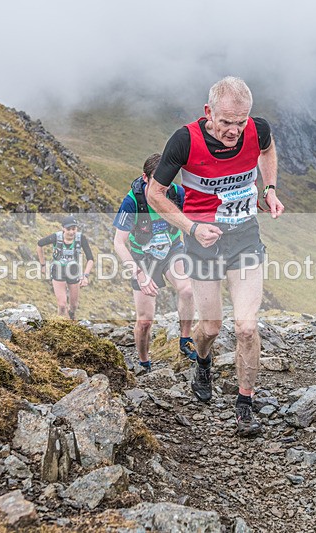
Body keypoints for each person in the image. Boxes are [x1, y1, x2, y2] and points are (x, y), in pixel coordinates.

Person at [147, 76, 284, 437]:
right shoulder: (184, 141)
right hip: (202, 244)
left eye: (241, 122)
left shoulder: (258, 130)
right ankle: (203, 362)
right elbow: (155, 193)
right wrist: (191, 228)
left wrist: (269, 189)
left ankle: (245, 404)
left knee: (246, 327)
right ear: (208, 112)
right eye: (225, 122)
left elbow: (267, 150)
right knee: (210, 328)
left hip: (244, 239)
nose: (234, 131)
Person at [114, 153, 198, 373]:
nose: (164, 186)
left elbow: (194, 220)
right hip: (143, 258)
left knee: (187, 289)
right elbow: (118, 243)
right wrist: (139, 274)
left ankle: (185, 339)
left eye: (168, 180)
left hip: (172, 250)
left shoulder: (177, 193)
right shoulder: (132, 202)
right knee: (145, 321)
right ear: (145, 178)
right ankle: (144, 362)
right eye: (158, 180)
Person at [36, 215, 94, 319]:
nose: (71, 232)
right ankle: (59, 323)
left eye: (74, 229)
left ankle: (71, 316)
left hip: (73, 272)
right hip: (58, 271)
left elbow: (90, 259)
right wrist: (43, 265)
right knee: (62, 305)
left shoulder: (81, 238)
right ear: (63, 228)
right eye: (68, 229)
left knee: (74, 305)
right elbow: (39, 244)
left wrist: (85, 276)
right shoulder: (56, 237)